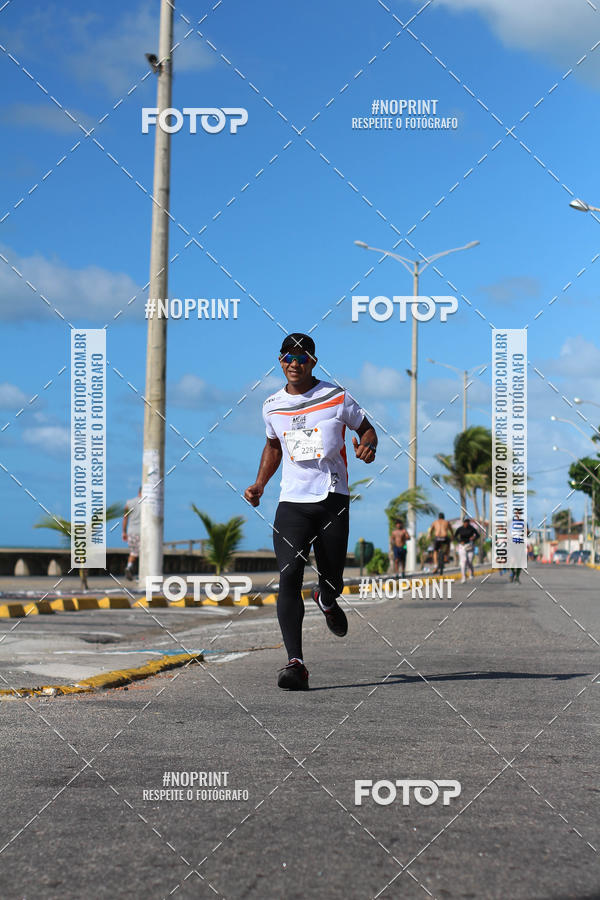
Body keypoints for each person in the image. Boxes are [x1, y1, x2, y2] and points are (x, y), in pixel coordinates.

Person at [244, 333, 378, 691]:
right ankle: (295, 663)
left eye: (302, 358)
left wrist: (367, 447)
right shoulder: (271, 405)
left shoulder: (337, 397)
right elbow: (274, 446)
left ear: (313, 362)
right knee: (288, 577)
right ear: (280, 360)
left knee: (332, 577)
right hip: (292, 503)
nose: (294, 363)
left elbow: (367, 430)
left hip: (332, 497)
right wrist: (260, 484)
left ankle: (327, 596)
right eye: (288, 357)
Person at [122, 488, 142, 581]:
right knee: (143, 553)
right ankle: (141, 573)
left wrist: (124, 532)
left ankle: (129, 567)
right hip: (143, 532)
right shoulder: (148, 503)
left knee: (133, 552)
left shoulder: (129, 503)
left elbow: (125, 518)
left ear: (138, 492)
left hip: (131, 532)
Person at [454, 516, 478, 583]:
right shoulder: (460, 529)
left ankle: (471, 573)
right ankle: (463, 577)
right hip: (462, 546)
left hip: (470, 546)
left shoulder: (472, 528)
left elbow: (477, 535)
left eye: (468, 521)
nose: (466, 523)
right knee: (463, 561)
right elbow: (455, 536)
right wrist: (459, 541)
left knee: (469, 562)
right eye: (465, 521)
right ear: (463, 522)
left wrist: (473, 538)